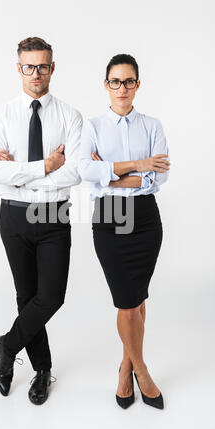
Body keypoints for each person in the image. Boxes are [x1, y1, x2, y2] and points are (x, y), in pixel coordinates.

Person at [0, 36, 82, 405]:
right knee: (27, 297)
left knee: (51, 297)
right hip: (13, 215)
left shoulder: (70, 116)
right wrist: (44, 166)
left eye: (42, 66)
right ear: (18, 68)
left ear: (52, 67)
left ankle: (7, 346)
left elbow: (73, 174)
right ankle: (42, 371)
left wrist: (19, 171)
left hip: (54, 213)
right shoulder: (1, 116)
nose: (36, 73)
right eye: (29, 66)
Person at [78, 54, 170, 410]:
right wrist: (138, 167)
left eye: (128, 81)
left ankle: (125, 364)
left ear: (137, 85)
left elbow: (159, 176)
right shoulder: (94, 125)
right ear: (106, 85)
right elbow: (86, 170)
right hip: (110, 218)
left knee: (137, 297)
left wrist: (112, 174)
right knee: (127, 302)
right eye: (115, 81)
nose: (122, 88)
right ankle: (139, 371)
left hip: (146, 219)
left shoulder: (152, 125)